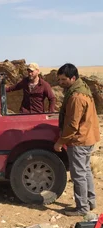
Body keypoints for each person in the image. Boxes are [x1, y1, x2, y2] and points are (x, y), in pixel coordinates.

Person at [54, 63, 100, 216]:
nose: (60, 83)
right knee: (85, 171)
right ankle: (90, 202)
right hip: (88, 137)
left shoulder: (76, 97)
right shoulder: (82, 88)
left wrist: (61, 141)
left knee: (78, 175)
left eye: (63, 80)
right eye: (59, 80)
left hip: (79, 140)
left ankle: (82, 208)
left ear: (73, 78)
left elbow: (72, 125)